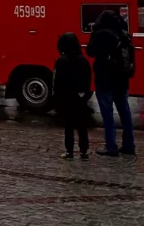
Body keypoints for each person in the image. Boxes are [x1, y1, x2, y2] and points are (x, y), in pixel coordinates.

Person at [86, 10, 136, 157]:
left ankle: (111, 146)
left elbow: (90, 51)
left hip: (105, 78)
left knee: (107, 113)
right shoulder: (123, 34)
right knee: (124, 111)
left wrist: (93, 33)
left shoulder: (101, 34)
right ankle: (129, 145)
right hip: (122, 77)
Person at [54, 32, 92, 160]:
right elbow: (88, 80)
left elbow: (56, 82)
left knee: (68, 126)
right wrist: (85, 95)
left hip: (66, 99)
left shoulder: (60, 62)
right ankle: (84, 152)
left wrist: (56, 99)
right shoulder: (83, 61)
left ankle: (69, 151)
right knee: (82, 126)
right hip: (80, 98)